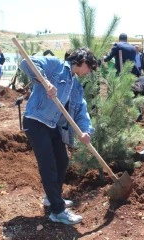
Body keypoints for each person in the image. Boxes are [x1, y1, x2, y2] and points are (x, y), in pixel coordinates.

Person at [20, 48, 98, 225]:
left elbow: (81, 111)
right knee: (48, 165)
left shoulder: (76, 86)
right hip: (36, 120)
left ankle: (51, 197)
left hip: (51, 125)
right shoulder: (56, 65)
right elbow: (26, 63)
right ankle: (58, 211)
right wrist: (44, 80)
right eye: (90, 67)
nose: (90, 72)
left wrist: (86, 131)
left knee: (62, 160)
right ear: (82, 61)